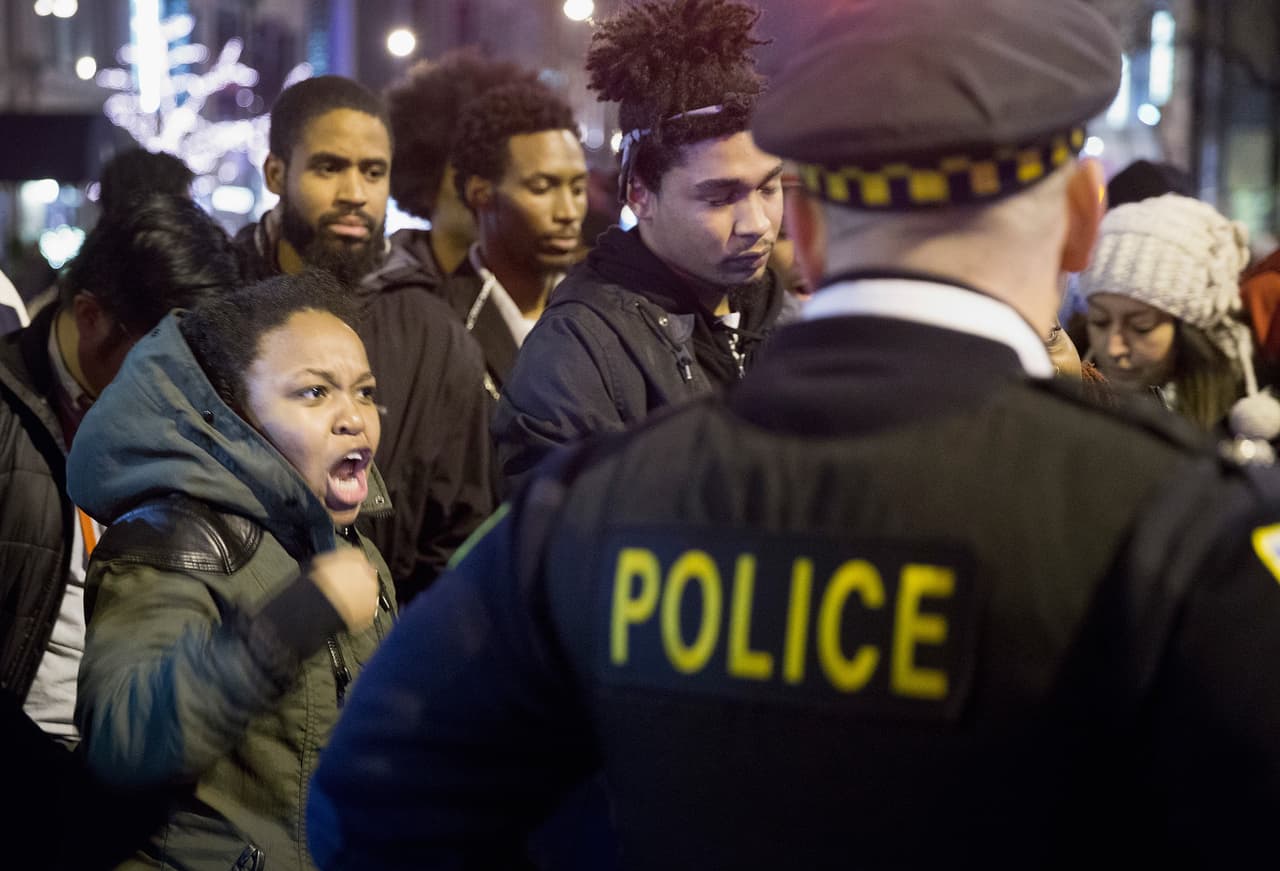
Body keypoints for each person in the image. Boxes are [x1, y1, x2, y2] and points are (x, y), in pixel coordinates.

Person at [308, 1, 1280, 867]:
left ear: (804, 227)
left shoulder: (596, 505)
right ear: (1079, 222)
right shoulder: (1181, 534)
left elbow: (370, 800)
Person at [70, 270, 395, 871]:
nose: (354, 416)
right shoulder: (173, 537)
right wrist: (292, 622)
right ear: (235, 415)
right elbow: (123, 742)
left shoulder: (352, 548)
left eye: (365, 391)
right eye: (315, 393)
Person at [0, 193, 239, 868]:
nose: (190, 387)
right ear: (90, 318)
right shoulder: (7, 413)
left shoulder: (199, 427)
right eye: (167, 360)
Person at [491, 0, 785, 493]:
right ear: (639, 195)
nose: (755, 223)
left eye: (769, 188)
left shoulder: (794, 321)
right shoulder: (574, 354)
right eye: (719, 197)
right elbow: (558, 549)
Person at [233, 75, 494, 604]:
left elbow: (459, 537)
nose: (354, 194)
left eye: (373, 172)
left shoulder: (436, 337)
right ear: (276, 172)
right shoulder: (212, 305)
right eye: (329, 167)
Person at [1077, 193, 1279, 440]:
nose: (1113, 347)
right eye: (1099, 321)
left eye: (1141, 327)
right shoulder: (1075, 390)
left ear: (1191, 328)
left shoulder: (1245, 415)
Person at [439, 79, 589, 396]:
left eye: (577, 189)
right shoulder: (438, 322)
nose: (567, 212)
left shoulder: (601, 309)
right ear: (480, 193)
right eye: (542, 187)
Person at [375, 47, 538, 289]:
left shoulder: (544, 294)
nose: (488, 188)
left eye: (506, 170)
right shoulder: (380, 291)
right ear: (426, 179)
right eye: (474, 168)